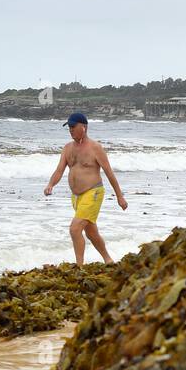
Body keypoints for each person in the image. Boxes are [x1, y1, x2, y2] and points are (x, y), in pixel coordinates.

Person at [44, 112, 128, 264]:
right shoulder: (67, 148)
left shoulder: (95, 148)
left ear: (84, 127)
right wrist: (51, 184)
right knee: (91, 232)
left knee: (75, 229)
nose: (70, 130)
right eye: (69, 127)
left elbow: (109, 173)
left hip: (93, 192)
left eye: (73, 127)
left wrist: (119, 196)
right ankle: (108, 260)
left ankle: (79, 267)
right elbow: (59, 170)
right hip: (76, 197)